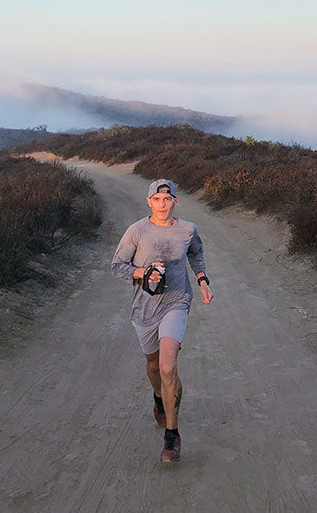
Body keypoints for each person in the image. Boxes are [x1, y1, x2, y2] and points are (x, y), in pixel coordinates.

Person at [111, 178, 214, 463]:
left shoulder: (187, 230)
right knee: (154, 365)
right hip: (144, 307)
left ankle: (172, 435)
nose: (162, 204)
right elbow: (117, 267)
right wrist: (143, 272)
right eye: (156, 200)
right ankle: (158, 397)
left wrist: (203, 281)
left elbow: (197, 254)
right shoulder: (136, 231)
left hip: (177, 302)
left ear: (175, 201)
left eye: (167, 200)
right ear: (149, 202)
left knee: (168, 366)